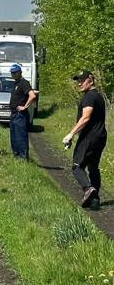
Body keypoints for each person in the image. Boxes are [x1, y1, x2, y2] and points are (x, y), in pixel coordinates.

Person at [62, 70, 108, 210]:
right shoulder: (98, 96)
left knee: (77, 167)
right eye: (78, 81)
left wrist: (71, 134)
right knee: (93, 167)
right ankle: (95, 201)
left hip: (90, 137)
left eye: (82, 80)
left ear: (91, 80)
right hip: (100, 136)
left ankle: (88, 189)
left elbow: (86, 118)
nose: (79, 83)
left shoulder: (89, 97)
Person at [9, 64, 36, 159]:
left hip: (20, 115)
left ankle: (23, 158)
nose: (13, 75)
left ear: (20, 72)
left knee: (20, 137)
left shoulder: (24, 82)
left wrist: (25, 107)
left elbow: (32, 95)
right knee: (14, 137)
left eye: (15, 73)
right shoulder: (16, 83)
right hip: (13, 114)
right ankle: (16, 156)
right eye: (12, 73)